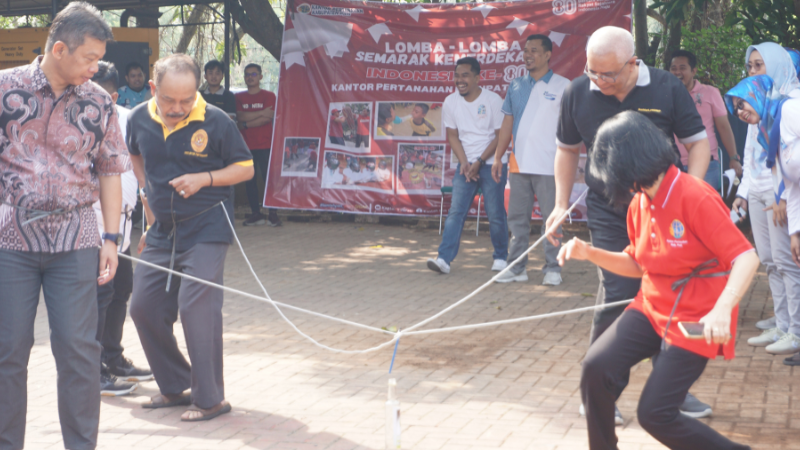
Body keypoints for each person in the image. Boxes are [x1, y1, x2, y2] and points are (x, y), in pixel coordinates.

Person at [560, 110, 757, 450]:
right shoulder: (640, 202)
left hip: (698, 318)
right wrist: (590, 253)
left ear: (627, 165)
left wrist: (723, 309)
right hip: (651, 308)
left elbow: (746, 257)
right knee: (596, 368)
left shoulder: (694, 195)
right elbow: (638, 264)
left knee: (655, 413)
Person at [545, 26, 713, 420]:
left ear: (633, 63)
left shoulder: (667, 87)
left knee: (672, 292)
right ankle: (600, 391)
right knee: (620, 290)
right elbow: (567, 150)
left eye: (609, 74)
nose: (600, 82)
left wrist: (692, 195)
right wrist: (559, 204)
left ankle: (671, 389)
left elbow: (698, 143)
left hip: (664, 208)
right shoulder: (576, 93)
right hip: (609, 207)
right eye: (593, 73)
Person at [0, 3, 127, 448]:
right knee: (8, 352)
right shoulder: (5, 89)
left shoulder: (98, 101)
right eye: (89, 58)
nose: (96, 67)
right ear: (59, 49)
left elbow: (111, 170)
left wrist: (110, 238)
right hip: (9, 241)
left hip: (76, 241)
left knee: (78, 352)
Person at [127, 53, 254, 422]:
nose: (178, 108)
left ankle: (211, 398)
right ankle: (175, 384)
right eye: (169, 100)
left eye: (187, 99)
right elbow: (136, 157)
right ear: (153, 89)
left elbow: (245, 167)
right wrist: (148, 213)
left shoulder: (216, 120)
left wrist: (205, 179)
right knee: (143, 307)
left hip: (207, 227)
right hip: (163, 230)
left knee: (196, 305)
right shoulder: (137, 118)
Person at [729, 43, 800, 354]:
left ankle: (792, 329)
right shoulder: (760, 104)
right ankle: (783, 323)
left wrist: (783, 195)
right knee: (771, 261)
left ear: (779, 66)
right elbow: (751, 154)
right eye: (750, 66)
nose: (754, 72)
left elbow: (790, 163)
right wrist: (743, 192)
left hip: (783, 194)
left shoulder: (791, 105)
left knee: (787, 262)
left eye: (760, 65)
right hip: (760, 188)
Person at [91, 61, 154, 397]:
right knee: (100, 295)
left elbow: (143, 173)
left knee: (121, 291)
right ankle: (95, 369)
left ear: (114, 95)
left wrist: (149, 220)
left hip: (124, 224)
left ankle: (113, 357)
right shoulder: (79, 121)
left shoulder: (129, 120)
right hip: (94, 224)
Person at [493, 34, 570, 286]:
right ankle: (517, 268)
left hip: (551, 166)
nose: (528, 55)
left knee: (552, 218)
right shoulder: (515, 85)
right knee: (516, 219)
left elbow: (572, 128)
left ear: (548, 55)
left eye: (534, 50)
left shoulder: (563, 86)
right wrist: (498, 157)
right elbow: (507, 123)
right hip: (518, 164)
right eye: (526, 50)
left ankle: (553, 269)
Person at [427, 57, 508, 275]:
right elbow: (452, 136)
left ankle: (501, 257)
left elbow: (501, 137)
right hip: (466, 166)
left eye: (465, 75)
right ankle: (443, 259)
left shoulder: (493, 100)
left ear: (477, 78)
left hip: (491, 164)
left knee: (495, 213)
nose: (459, 80)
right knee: (456, 212)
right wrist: (464, 162)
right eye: (457, 75)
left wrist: (480, 161)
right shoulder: (450, 101)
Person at [669, 49, 741, 191]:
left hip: (707, 165)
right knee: (678, 212)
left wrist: (733, 157)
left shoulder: (710, 92)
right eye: (673, 68)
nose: (677, 72)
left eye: (682, 68)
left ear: (694, 71)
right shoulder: (665, 94)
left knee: (704, 210)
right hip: (672, 165)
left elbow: (724, 127)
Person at [235, 63, 281, 227]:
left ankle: (273, 214)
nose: (250, 77)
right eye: (247, 74)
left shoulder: (269, 96)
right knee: (250, 180)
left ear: (260, 77)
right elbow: (240, 117)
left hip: (265, 144)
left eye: (253, 74)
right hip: (246, 145)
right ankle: (256, 213)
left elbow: (267, 118)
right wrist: (259, 113)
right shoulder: (238, 97)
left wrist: (247, 122)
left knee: (269, 179)